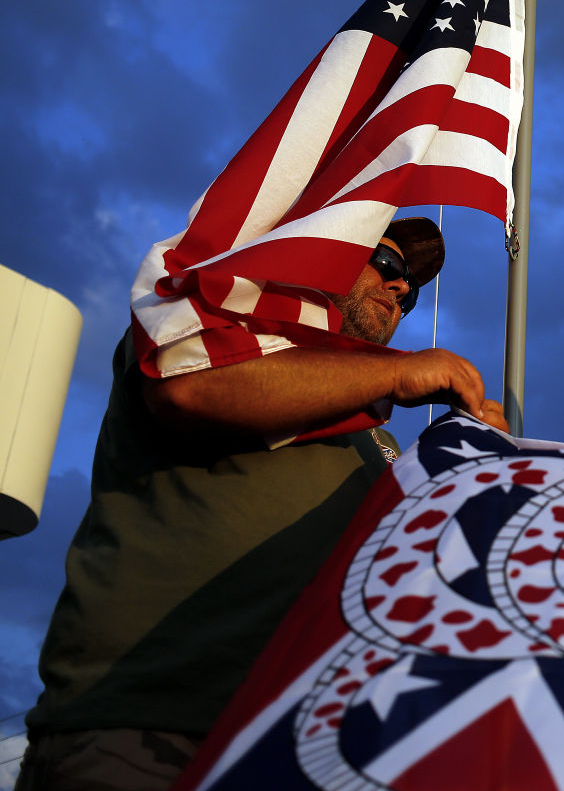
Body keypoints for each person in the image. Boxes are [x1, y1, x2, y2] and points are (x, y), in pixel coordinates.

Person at [19, 217, 508, 791]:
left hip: (304, 752)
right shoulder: (202, 334)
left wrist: (472, 470)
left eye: (411, 287)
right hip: (152, 731)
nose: (401, 289)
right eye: (387, 264)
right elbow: (189, 385)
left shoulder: (379, 443)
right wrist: (398, 374)